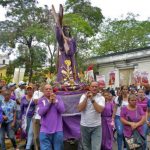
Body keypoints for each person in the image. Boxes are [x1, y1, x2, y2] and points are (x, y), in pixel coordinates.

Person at [51, 4, 79, 84]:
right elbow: (58, 34)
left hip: (71, 58)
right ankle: (63, 82)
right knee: (64, 74)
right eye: (65, 29)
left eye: (68, 29)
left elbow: (74, 49)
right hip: (64, 58)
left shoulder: (72, 40)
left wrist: (70, 48)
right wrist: (58, 25)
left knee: (73, 73)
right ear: (63, 30)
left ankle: (74, 81)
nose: (66, 30)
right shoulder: (61, 39)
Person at [78, 81, 105, 150]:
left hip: (96, 126)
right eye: (92, 86)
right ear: (89, 88)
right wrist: (86, 98)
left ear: (98, 88)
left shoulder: (101, 98)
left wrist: (92, 99)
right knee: (86, 147)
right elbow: (79, 109)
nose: (94, 88)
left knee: (96, 148)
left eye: (96, 87)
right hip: (84, 126)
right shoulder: (83, 96)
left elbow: (99, 110)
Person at [38, 84, 65, 150]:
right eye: (46, 89)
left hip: (57, 130)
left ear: (52, 91)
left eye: (50, 89)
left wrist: (55, 101)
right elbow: (40, 113)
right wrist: (49, 103)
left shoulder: (58, 98)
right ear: (43, 91)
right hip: (44, 130)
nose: (48, 90)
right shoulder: (41, 100)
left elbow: (62, 110)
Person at [112, 85, 129, 150]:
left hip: (127, 119)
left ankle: (125, 146)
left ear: (128, 90)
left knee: (127, 134)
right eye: (123, 89)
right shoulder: (117, 98)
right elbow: (115, 108)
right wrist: (113, 118)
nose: (125, 90)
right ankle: (119, 148)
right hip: (118, 118)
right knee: (120, 133)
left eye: (126, 89)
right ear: (121, 90)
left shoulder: (130, 98)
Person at [20, 85, 36, 150]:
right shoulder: (23, 98)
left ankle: (30, 145)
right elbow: (21, 108)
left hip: (33, 117)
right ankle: (28, 143)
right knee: (26, 131)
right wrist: (21, 118)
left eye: (30, 89)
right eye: (28, 90)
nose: (29, 91)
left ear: (33, 90)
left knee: (31, 131)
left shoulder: (35, 98)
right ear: (26, 90)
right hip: (25, 118)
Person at [32, 83, 44, 150]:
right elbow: (36, 102)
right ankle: (37, 148)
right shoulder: (37, 92)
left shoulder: (49, 93)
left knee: (44, 136)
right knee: (36, 137)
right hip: (37, 118)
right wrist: (44, 96)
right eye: (42, 86)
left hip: (45, 118)